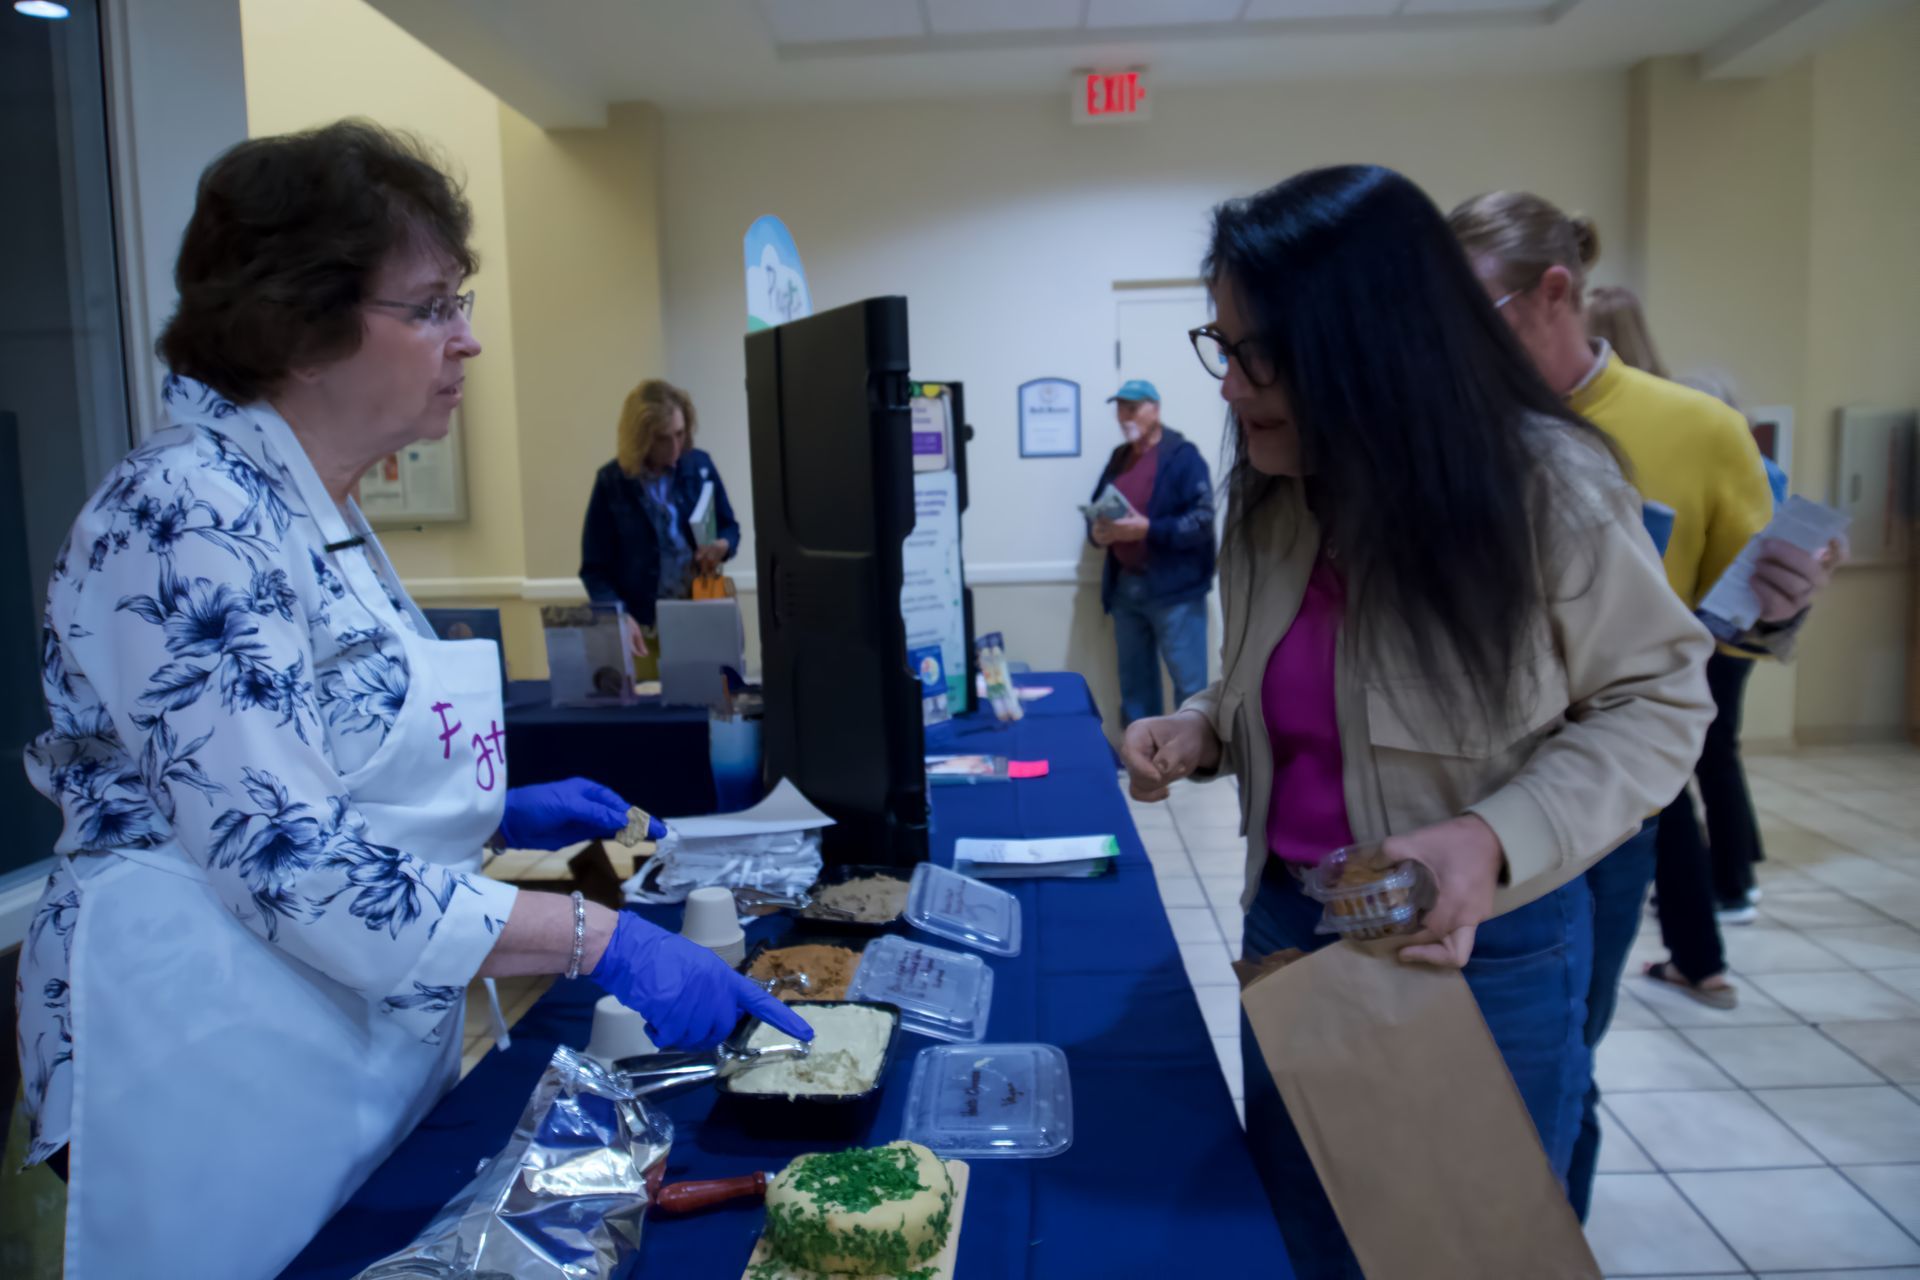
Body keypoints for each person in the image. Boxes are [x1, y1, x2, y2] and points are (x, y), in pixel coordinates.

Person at [16, 121, 809, 1280]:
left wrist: (486, 811)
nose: (469, 339)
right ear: (302, 322)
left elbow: (318, 763)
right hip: (193, 1035)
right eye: (433, 305)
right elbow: (289, 856)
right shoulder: (183, 513)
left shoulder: (311, 505)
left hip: (315, 1015)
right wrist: (598, 936)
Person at [1123, 165, 1714, 1279]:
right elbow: (1283, 674)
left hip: (1470, 959)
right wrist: (1206, 722)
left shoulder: (1545, 486)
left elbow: (1661, 699)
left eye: (1259, 355)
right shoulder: (1275, 482)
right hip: (1291, 932)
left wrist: (1491, 837)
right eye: (1225, 345)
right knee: (1307, 1235)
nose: (1236, 385)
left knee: (1454, 1255)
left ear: (1369, 347)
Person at [1449, 192, 1836, 1220]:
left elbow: (1751, 618)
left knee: (1560, 1054)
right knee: (1446, 1065)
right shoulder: (1454, 424)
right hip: (1454, 791)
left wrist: (1789, 597)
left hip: (1604, 808)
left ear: (1556, 291)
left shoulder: (1693, 430)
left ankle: (1546, 1236)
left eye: (1474, 307)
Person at [1591, 293, 1783, 923]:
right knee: (1710, 760)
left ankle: (1711, 918)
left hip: (1681, 645)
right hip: (1700, 639)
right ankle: (1729, 887)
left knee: (1687, 777)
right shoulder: (1684, 428)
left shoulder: (1675, 430)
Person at [579, 378, 741, 661]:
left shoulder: (699, 465)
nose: (675, 447)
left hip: (701, 615)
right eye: (663, 439)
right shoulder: (612, 482)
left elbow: (730, 527)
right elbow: (594, 570)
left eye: (679, 434)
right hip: (642, 629)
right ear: (641, 439)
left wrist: (723, 545)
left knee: (711, 700)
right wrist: (618, 615)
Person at [1086, 378, 1215, 726]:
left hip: (1175, 591)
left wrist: (1148, 529)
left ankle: (1194, 766)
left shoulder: (1183, 457)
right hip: (1126, 588)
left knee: (1189, 685)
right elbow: (1097, 508)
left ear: (1155, 409)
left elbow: (1202, 521)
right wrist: (1098, 533)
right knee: (1135, 685)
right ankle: (1145, 759)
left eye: (1133, 407)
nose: (1125, 416)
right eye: (1120, 408)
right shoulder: (1119, 458)